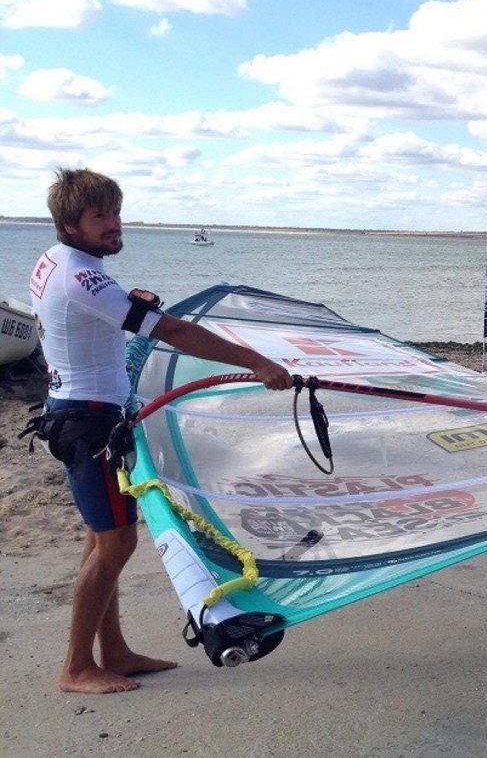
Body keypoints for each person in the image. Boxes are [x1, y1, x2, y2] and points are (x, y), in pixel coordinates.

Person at [28, 168, 293, 694]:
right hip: (90, 424)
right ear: (69, 224)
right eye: (99, 216)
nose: (113, 224)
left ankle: (114, 652)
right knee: (116, 544)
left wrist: (127, 303)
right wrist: (257, 361)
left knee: (102, 538)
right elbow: (172, 330)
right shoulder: (81, 274)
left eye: (115, 212)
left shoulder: (57, 261)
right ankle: (77, 667)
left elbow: (88, 314)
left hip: (79, 413)